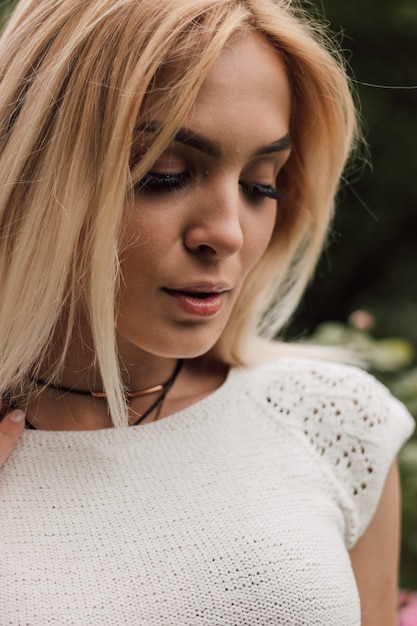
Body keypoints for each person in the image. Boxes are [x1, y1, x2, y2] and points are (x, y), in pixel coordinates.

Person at [0, 0, 413, 624]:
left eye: (261, 183)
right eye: (166, 173)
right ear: (36, 173)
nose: (228, 233)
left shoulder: (332, 424)